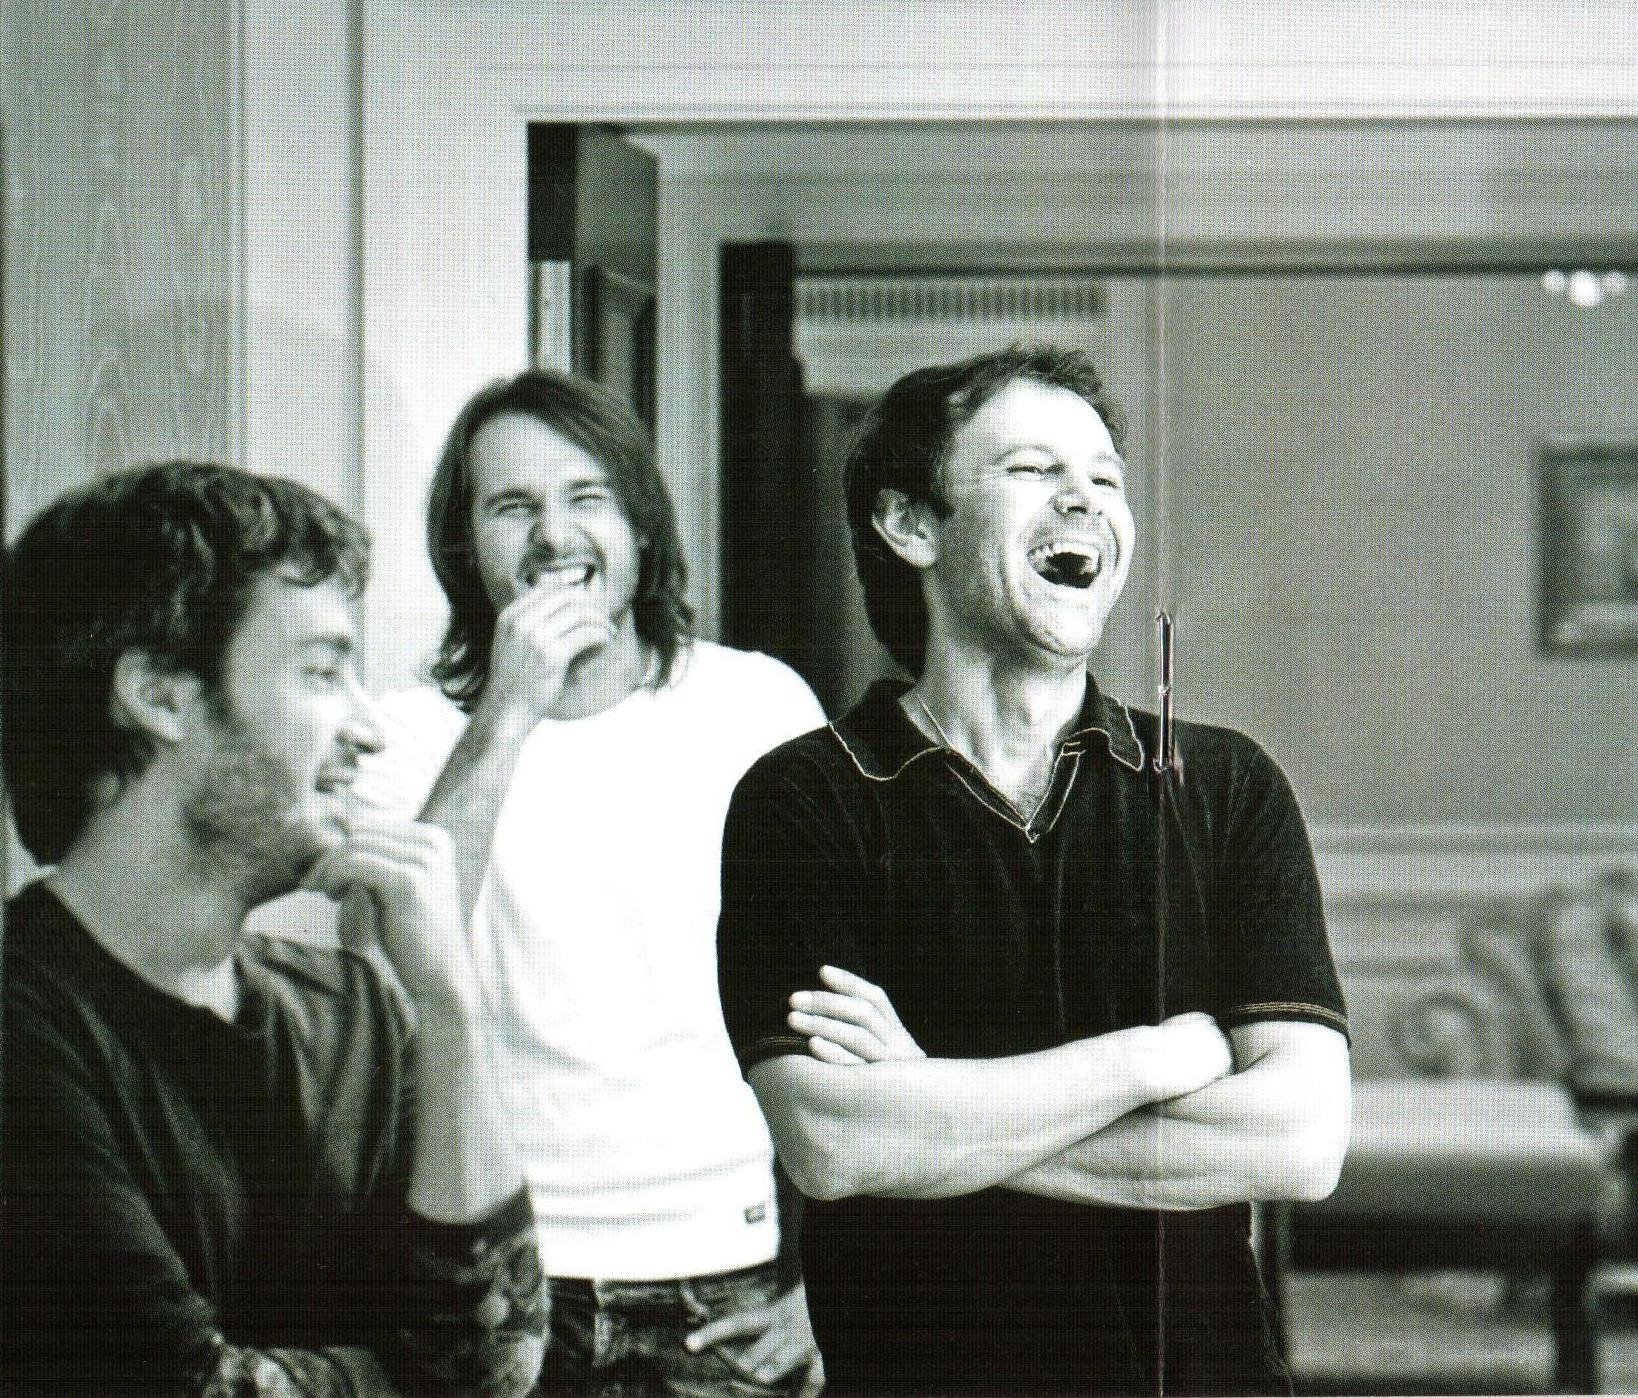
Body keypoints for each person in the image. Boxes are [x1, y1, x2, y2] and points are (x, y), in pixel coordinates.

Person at [717, 344, 1352, 1397]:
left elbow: (1300, 1142)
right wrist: (1153, 1060)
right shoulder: (804, 799)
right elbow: (832, 1142)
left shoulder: (1225, 786)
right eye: (1031, 470)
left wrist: (928, 1112)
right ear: (909, 523)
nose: (1084, 500)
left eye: (1104, 478)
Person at [1, 462, 546, 1396]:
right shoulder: (24, 1028)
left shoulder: (355, 1010)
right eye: (323, 672)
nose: (368, 731)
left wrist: (451, 1008)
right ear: (161, 695)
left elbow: (496, 1367)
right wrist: (417, 1374)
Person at [348, 370, 826, 1397]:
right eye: (511, 506)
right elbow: (381, 978)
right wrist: (509, 711)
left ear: (641, 528)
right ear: (464, 547)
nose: (554, 535)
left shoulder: (759, 707)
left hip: (725, 1269)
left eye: (587, 497)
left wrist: (832, 1280)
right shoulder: (400, 735)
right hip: (495, 1272)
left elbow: (846, 997)